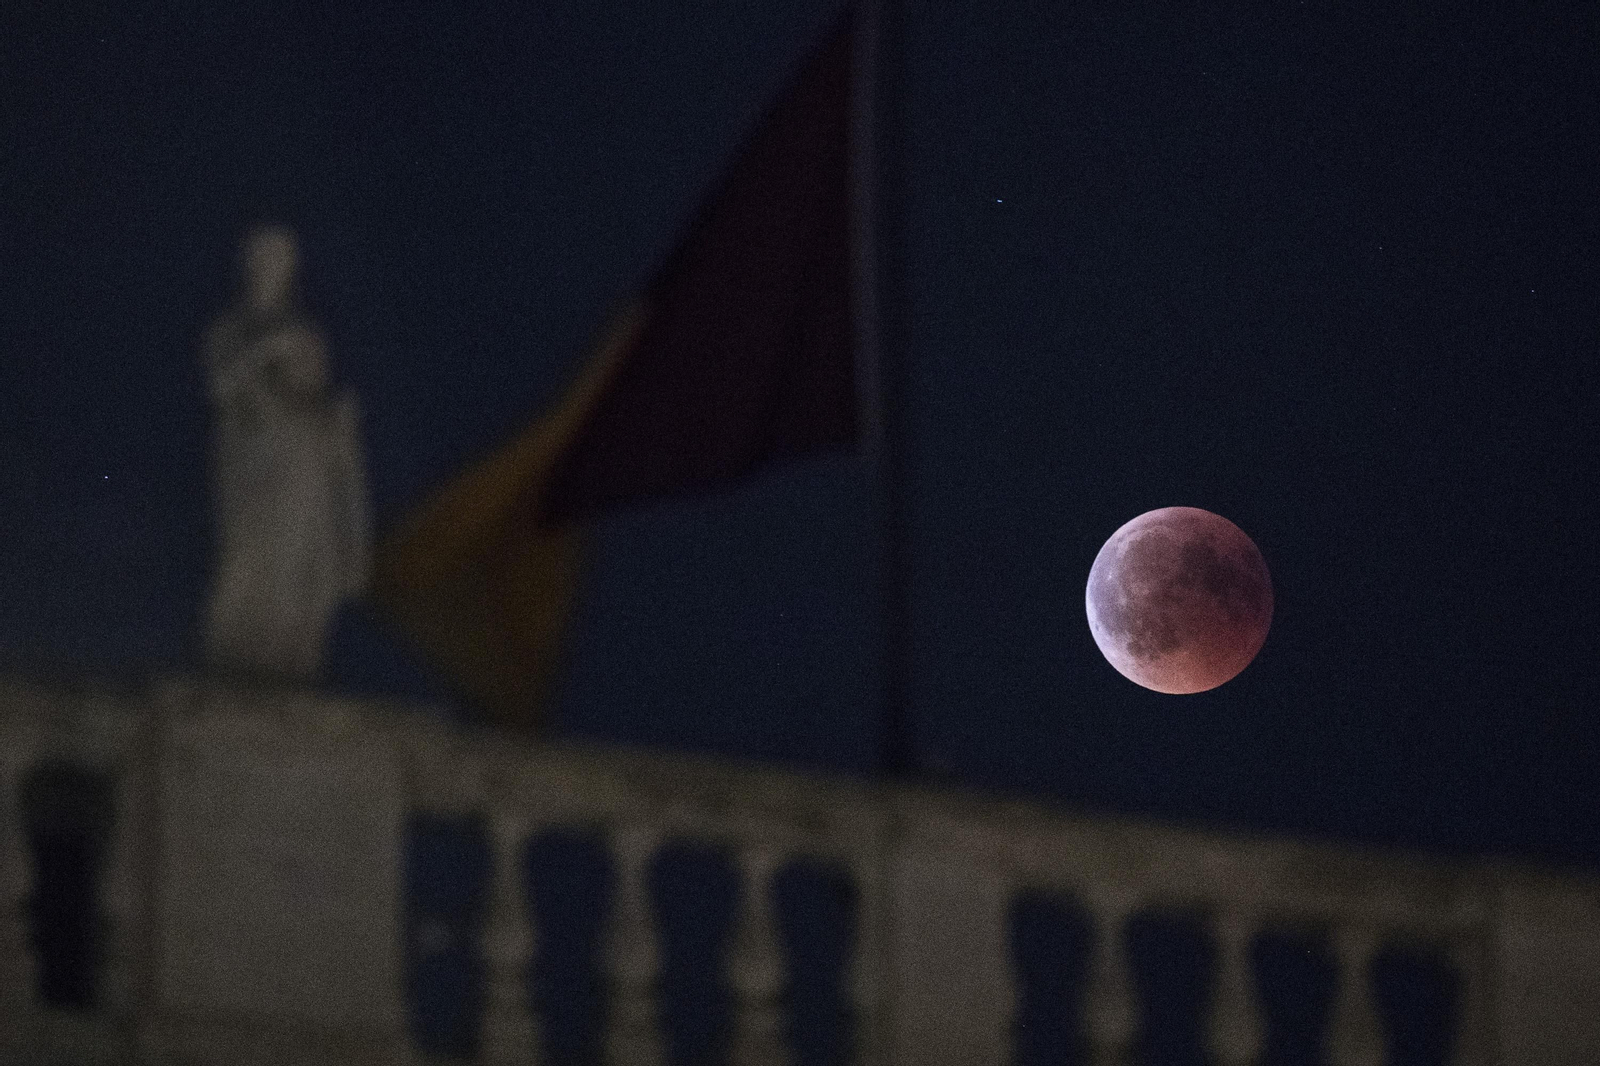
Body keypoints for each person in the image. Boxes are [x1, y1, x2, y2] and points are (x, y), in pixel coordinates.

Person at [202, 224, 368, 679]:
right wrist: (269, 348)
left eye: (282, 260)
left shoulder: (308, 334)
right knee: (252, 557)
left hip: (305, 462)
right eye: (265, 258)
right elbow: (222, 387)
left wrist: (336, 422)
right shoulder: (232, 328)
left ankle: (291, 666)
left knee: (301, 566)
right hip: (255, 462)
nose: (273, 268)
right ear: (250, 265)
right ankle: (237, 662)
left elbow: (317, 396)